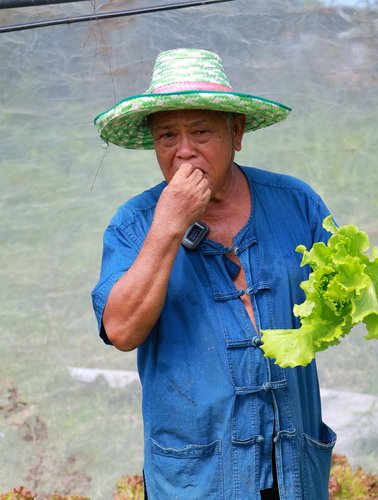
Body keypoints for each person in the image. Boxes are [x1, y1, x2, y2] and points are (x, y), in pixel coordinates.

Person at [91, 48, 336, 499]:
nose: (184, 150)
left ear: (236, 132)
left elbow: (342, 293)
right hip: (197, 478)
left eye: (201, 131)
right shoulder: (134, 223)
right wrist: (168, 224)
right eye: (167, 135)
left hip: (292, 469)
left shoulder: (297, 203)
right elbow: (122, 331)